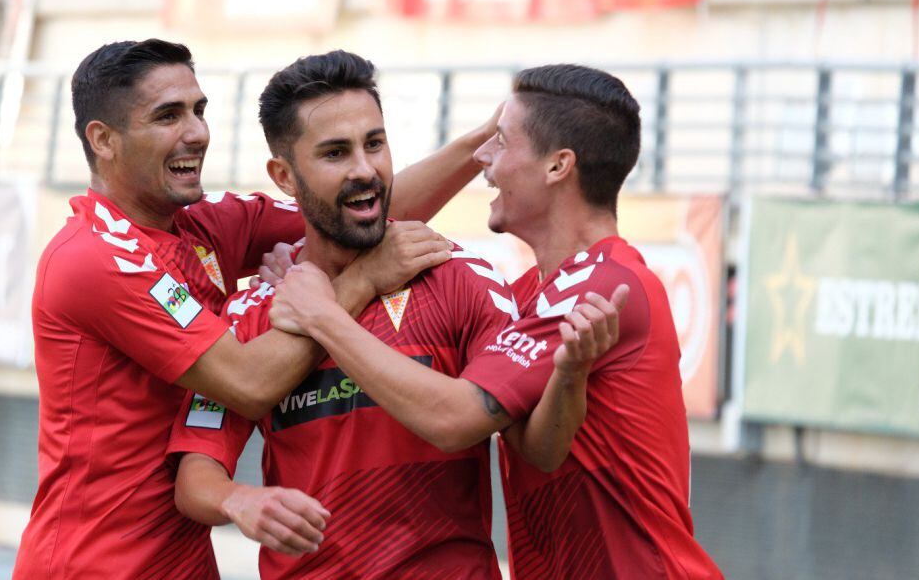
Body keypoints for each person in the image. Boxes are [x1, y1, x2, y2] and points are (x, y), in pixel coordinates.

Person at [11, 39, 499, 580]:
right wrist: (361, 280)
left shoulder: (205, 224)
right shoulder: (94, 256)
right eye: (168, 115)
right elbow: (246, 381)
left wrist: (485, 142)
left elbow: (352, 208)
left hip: (182, 556)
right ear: (103, 140)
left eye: (199, 110)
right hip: (95, 562)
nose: (196, 132)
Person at [167, 50, 620, 579]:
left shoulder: (462, 277)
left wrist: (570, 375)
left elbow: (529, 445)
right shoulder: (254, 309)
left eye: (374, 144)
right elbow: (196, 475)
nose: (365, 170)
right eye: (336, 153)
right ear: (285, 177)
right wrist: (240, 500)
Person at [273, 64, 722, 578]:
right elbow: (536, 449)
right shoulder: (534, 294)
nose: (484, 159)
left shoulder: (601, 285)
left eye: (501, 143)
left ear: (557, 167)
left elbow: (455, 420)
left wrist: (324, 314)